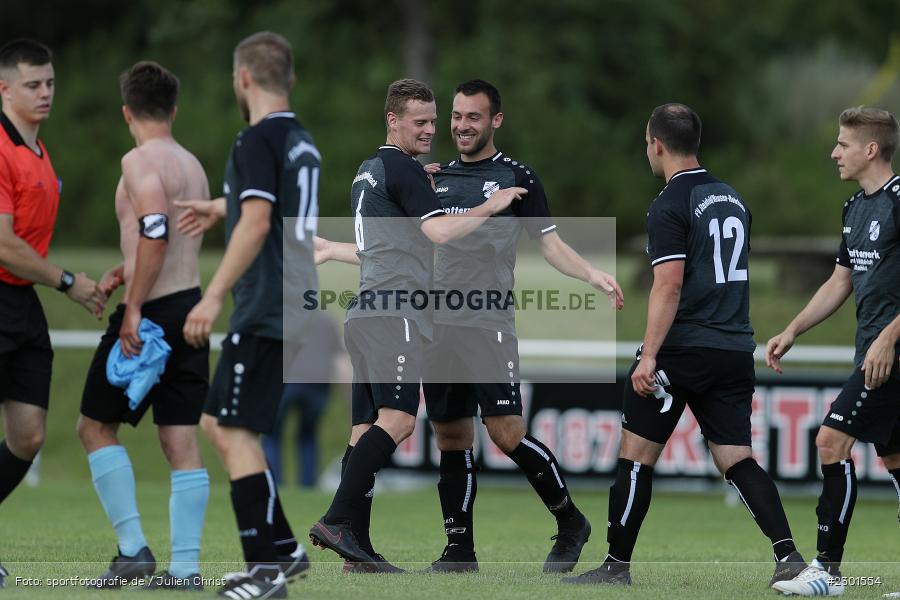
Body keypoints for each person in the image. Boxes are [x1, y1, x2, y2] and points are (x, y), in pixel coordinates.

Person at [563, 103, 805, 587]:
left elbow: (669, 285)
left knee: (636, 454)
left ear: (656, 144)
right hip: (734, 348)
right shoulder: (733, 198)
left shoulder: (670, 203)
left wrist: (649, 354)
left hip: (682, 349)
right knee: (735, 457)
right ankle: (789, 555)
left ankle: (615, 566)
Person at [308, 78, 526, 572]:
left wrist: (331, 250)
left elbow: (383, 249)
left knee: (362, 430)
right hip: (395, 313)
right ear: (393, 120)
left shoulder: (370, 170)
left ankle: (355, 551)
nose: (431, 130)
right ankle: (338, 520)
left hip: (364, 312)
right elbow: (441, 232)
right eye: (420, 122)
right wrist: (490, 205)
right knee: (400, 421)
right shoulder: (403, 169)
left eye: (433, 120)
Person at [416, 79, 623, 574]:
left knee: (507, 433)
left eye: (474, 117)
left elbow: (549, 243)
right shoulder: (432, 176)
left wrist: (592, 273)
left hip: (488, 322)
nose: (462, 126)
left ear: (495, 121)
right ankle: (459, 551)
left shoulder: (516, 177)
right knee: (449, 435)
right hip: (436, 324)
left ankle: (571, 521)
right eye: (457, 116)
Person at [178, 31, 316, 598]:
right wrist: (223, 205)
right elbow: (268, 205)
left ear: (242, 78)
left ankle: (266, 575)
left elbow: (259, 223)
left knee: (233, 430)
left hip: (265, 304)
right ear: (290, 79)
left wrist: (212, 295)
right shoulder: (299, 139)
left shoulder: (255, 138)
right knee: (219, 422)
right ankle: (283, 549)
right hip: (293, 304)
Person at [74, 61, 211, 590]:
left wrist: (131, 305)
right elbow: (164, 242)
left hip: (150, 315)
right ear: (173, 110)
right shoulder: (192, 164)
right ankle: (185, 570)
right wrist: (125, 269)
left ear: (127, 111)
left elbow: (154, 231)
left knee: (93, 427)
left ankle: (133, 551)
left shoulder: (137, 161)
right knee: (180, 439)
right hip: (189, 308)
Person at [767, 107, 900, 597]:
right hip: (873, 352)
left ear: (870, 149)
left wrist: (889, 336)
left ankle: (827, 571)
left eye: (842, 144)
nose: (833, 153)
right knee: (897, 460)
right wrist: (793, 328)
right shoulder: (855, 207)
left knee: (830, 440)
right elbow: (840, 281)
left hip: (890, 357)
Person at [0, 39, 102, 588]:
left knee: (28, 437)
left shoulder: (39, 150)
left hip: (20, 303)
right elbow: (3, 243)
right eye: (32, 85)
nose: (44, 94)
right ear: (5, 89)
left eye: (50, 83)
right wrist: (67, 282)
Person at [263, 312, 342, 488]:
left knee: (272, 435)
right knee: (308, 436)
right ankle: (307, 485)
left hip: (283, 383)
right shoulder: (326, 321)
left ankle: (276, 485)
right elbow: (339, 359)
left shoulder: (279, 317)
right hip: (318, 385)